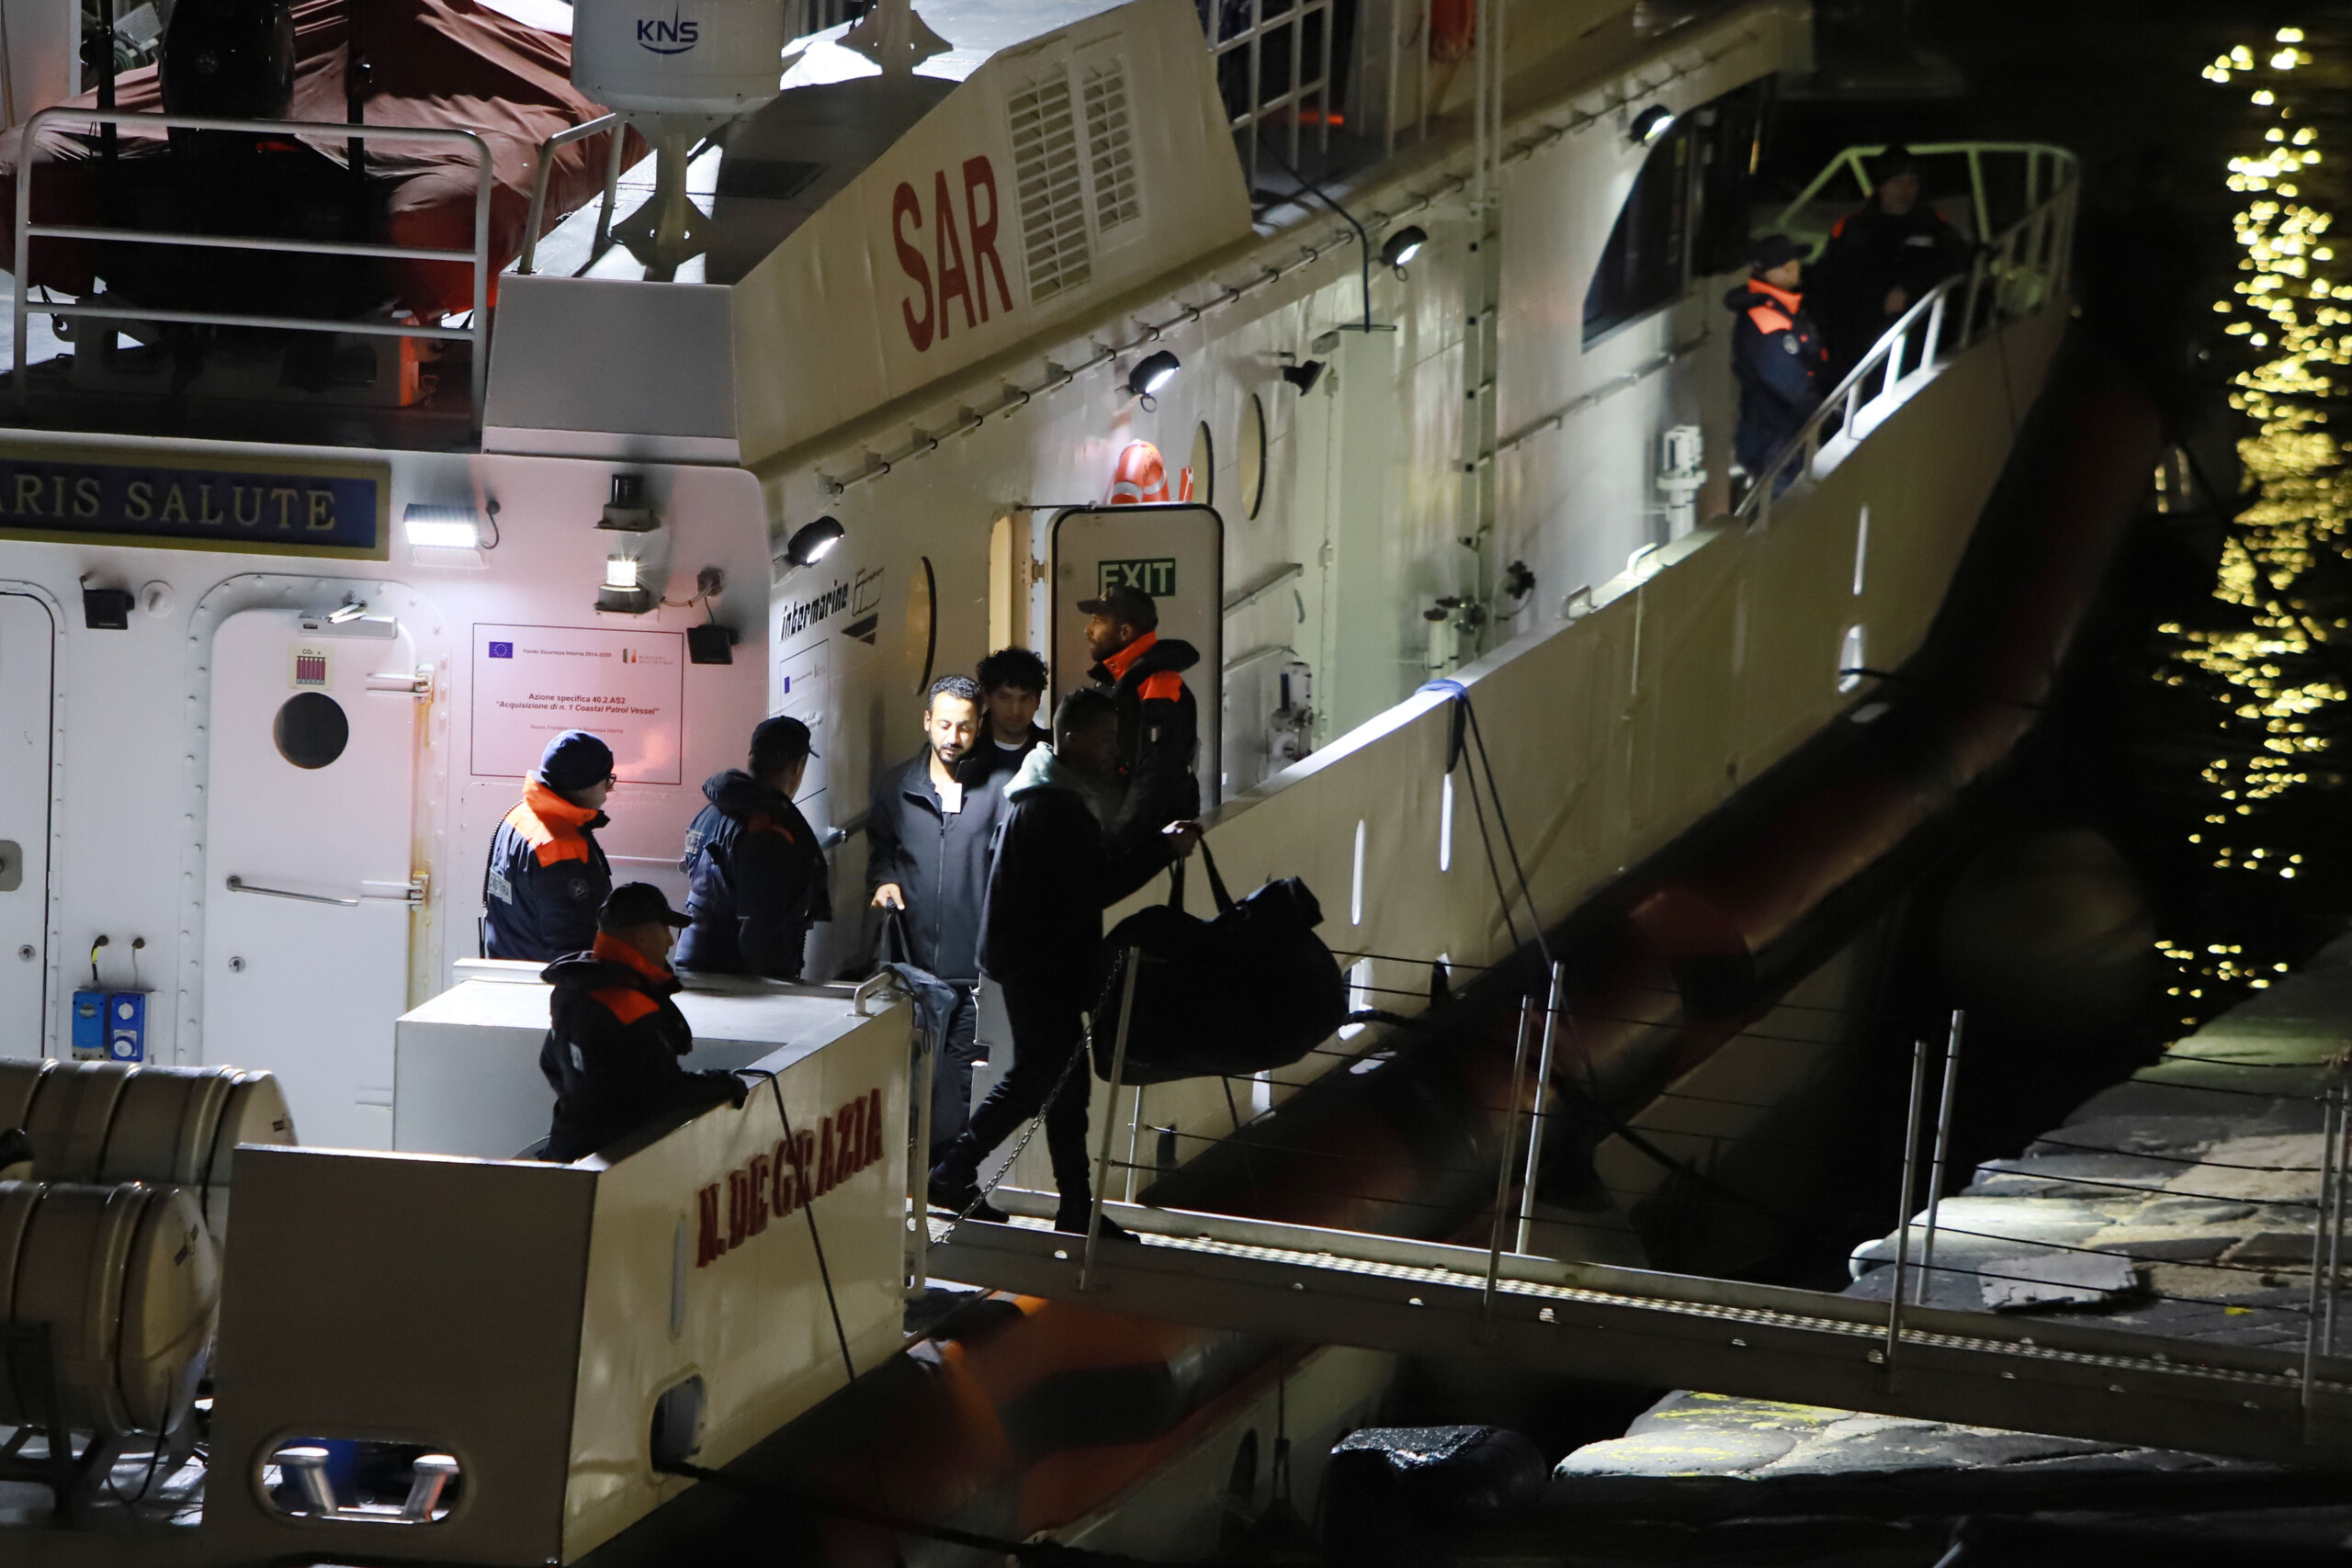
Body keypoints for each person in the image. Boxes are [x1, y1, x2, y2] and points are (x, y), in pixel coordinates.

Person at [928, 688, 1199, 1238]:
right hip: (1043, 963)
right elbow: (1094, 886)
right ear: (1072, 738)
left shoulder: (1042, 790)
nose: (1112, 749)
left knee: (1059, 1084)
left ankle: (1071, 1205)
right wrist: (1162, 852)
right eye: (1103, 738)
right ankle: (956, 1174)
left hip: (1032, 959)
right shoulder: (1056, 806)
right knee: (1042, 1081)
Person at [867, 675, 1003, 1162]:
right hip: (911, 964)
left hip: (974, 967)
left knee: (963, 1074)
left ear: (979, 726)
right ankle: (913, 1171)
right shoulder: (897, 785)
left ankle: (949, 1174)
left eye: (964, 727)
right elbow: (881, 850)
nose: (953, 737)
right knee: (909, 1070)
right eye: (944, 724)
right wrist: (883, 880)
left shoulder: (1001, 791)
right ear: (927, 721)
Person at [539, 883, 748, 1163]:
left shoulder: (573, 986)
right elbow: (663, 1092)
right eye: (665, 930)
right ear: (642, 937)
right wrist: (724, 1084)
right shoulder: (629, 1005)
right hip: (619, 1161)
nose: (670, 942)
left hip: (569, 1146)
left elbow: (550, 1062)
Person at [675, 716, 831, 980]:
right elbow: (760, 930)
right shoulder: (769, 830)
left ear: (751, 756)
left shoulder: (712, 811)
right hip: (736, 979)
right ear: (798, 766)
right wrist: (779, 985)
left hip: (694, 962)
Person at [1811, 146, 1971, 380]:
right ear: (1881, 186)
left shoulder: (1932, 225)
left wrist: (1910, 289)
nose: (1906, 190)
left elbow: (1955, 260)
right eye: (1898, 181)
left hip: (1919, 338)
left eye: (1912, 182)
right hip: (1863, 340)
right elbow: (1828, 283)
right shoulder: (1854, 229)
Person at [1079, 584, 1201, 850]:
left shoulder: (1159, 684)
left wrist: (1114, 841)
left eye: (1098, 622)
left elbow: (1155, 775)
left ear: (1125, 632)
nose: (1088, 630)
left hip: (1148, 842)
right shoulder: (1118, 680)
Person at [484, 730, 616, 963]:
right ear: (585, 784)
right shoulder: (560, 847)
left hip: (509, 974)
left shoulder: (520, 817)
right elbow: (573, 950)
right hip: (547, 988)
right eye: (608, 781)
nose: (608, 791)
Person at [1724, 233, 1829, 489]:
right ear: (1779, 271)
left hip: (1781, 433)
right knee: (1778, 513)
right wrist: (1826, 410)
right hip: (1773, 436)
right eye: (1790, 264)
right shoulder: (1765, 320)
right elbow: (1787, 380)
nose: (1796, 269)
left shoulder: (1781, 310)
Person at [974, 646, 1051, 780]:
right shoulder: (968, 752)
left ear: (1037, 702)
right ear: (987, 699)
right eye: (1005, 698)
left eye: (1025, 699)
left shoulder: (1053, 752)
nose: (1015, 710)